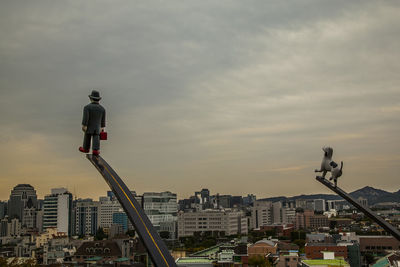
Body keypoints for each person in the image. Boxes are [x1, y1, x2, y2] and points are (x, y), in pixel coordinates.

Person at [79, 90, 106, 155]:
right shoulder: (102, 109)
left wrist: (84, 125)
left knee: (87, 136)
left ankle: (85, 148)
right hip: (97, 127)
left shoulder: (87, 107)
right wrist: (102, 127)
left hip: (89, 126)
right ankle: (95, 150)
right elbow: (103, 119)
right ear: (99, 99)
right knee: (96, 137)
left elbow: (86, 117)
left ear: (91, 98)